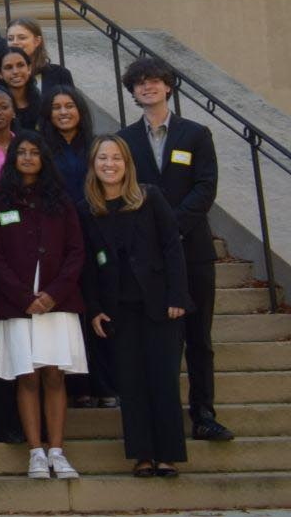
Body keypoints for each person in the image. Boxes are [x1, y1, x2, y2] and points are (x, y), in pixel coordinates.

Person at [117, 54, 229, 441]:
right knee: (160, 343)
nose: (148, 86)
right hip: (149, 260)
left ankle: (204, 413)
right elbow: (124, 192)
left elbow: (205, 186)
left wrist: (173, 226)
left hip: (192, 249)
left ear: (168, 86)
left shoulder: (196, 134)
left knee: (199, 338)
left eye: (155, 80)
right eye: (140, 82)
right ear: (132, 91)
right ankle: (162, 417)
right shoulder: (125, 140)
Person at [81, 136, 191, 477]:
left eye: (116, 158)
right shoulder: (87, 209)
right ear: (94, 165)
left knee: (163, 379)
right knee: (131, 383)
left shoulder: (150, 197)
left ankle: (168, 454)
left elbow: (172, 246)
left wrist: (178, 296)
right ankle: (142, 454)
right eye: (103, 158)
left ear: (127, 164)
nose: (109, 164)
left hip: (160, 306)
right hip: (119, 310)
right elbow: (87, 265)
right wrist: (95, 308)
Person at [0, 133, 88, 479]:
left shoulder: (61, 201)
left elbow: (77, 252)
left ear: (44, 158)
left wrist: (53, 294)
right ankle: (35, 454)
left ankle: (57, 450)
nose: (28, 158)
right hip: (18, 306)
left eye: (34, 152)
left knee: (55, 375)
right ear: (12, 158)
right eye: (22, 152)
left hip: (57, 303)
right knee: (26, 377)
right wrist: (23, 297)